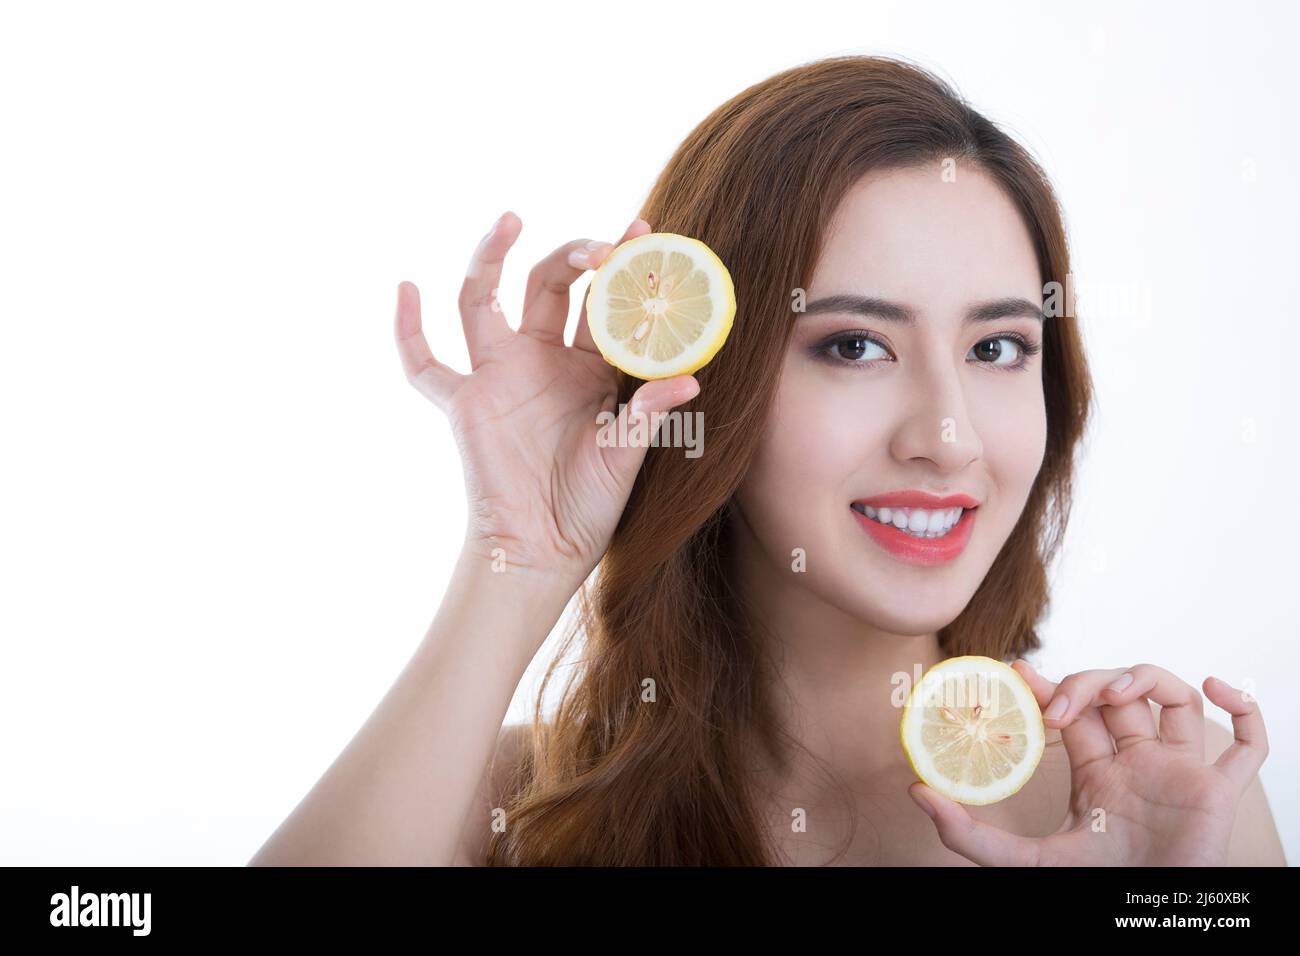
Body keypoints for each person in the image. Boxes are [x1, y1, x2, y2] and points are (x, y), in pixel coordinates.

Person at [249, 54, 1283, 866]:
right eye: (854, 345)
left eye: (997, 346)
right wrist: (516, 555)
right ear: (711, 370)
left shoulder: (1167, 805)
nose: (949, 433)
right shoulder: (513, 806)